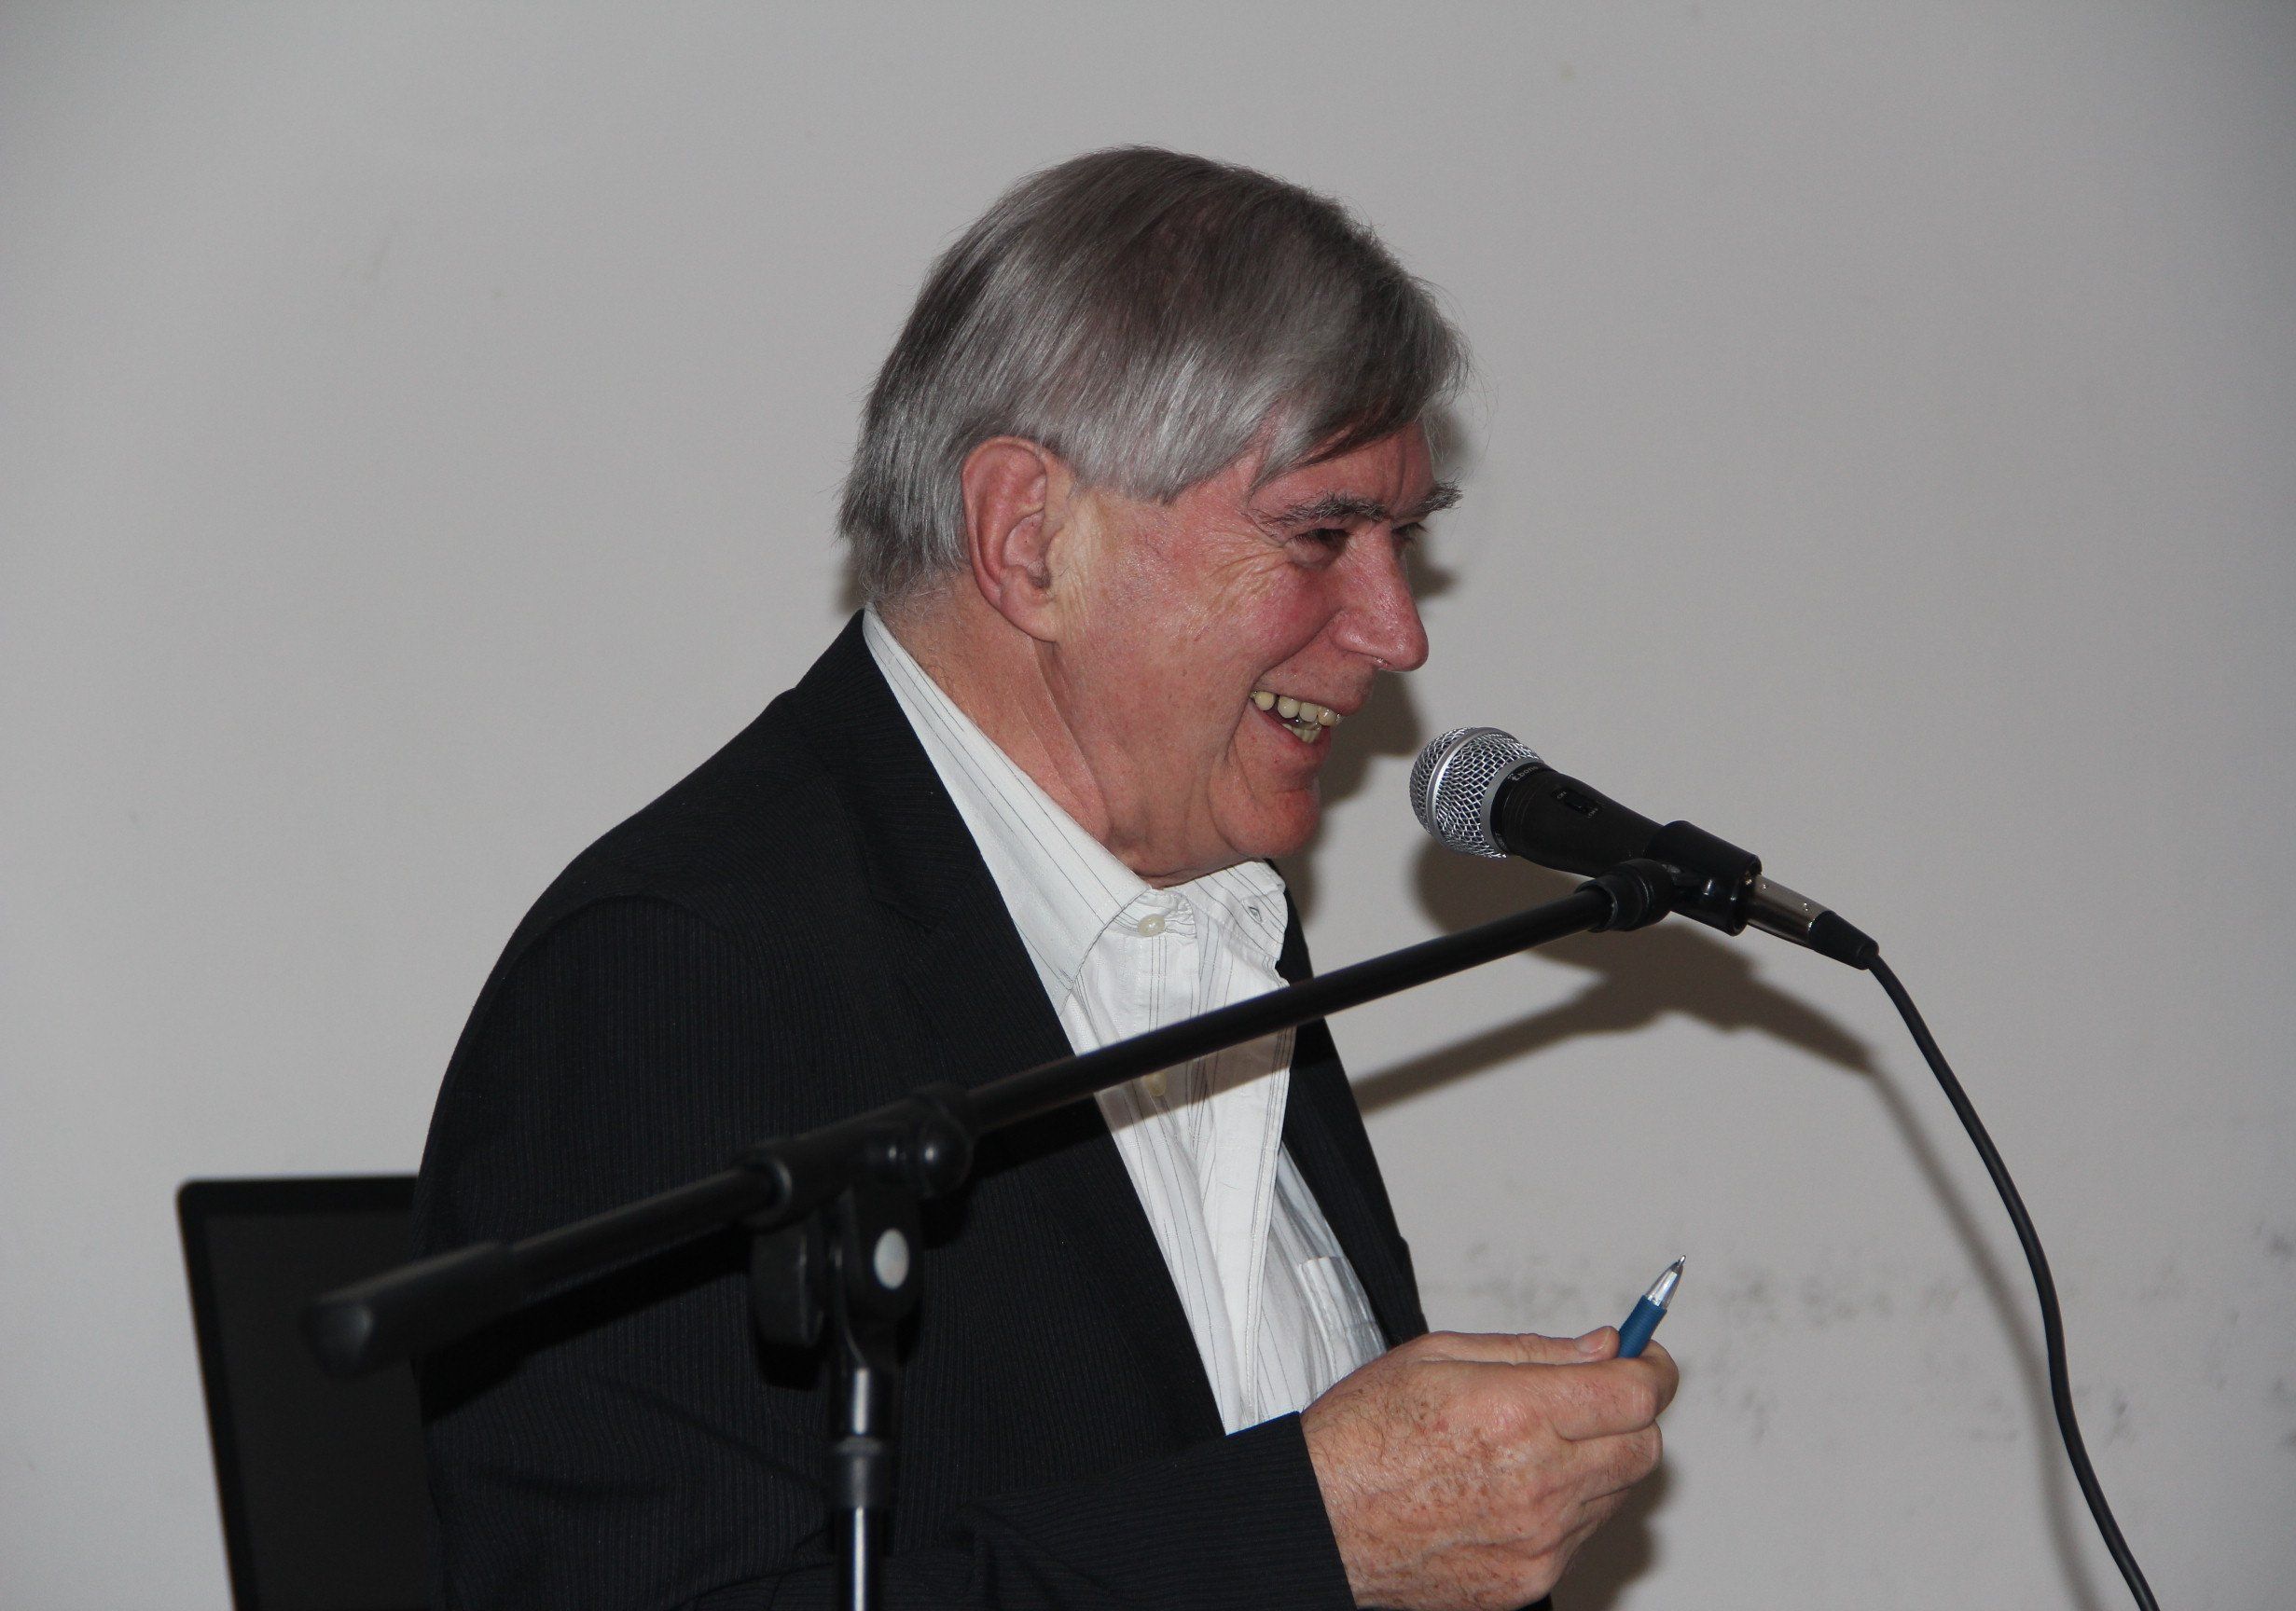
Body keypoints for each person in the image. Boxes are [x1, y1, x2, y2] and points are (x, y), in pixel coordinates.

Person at [411, 146, 1676, 1611]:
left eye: (1404, 542)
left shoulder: (1219, 923)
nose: (1398, 634)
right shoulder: (674, 976)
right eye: (1323, 534)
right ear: (1028, 540)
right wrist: (1309, 1533)